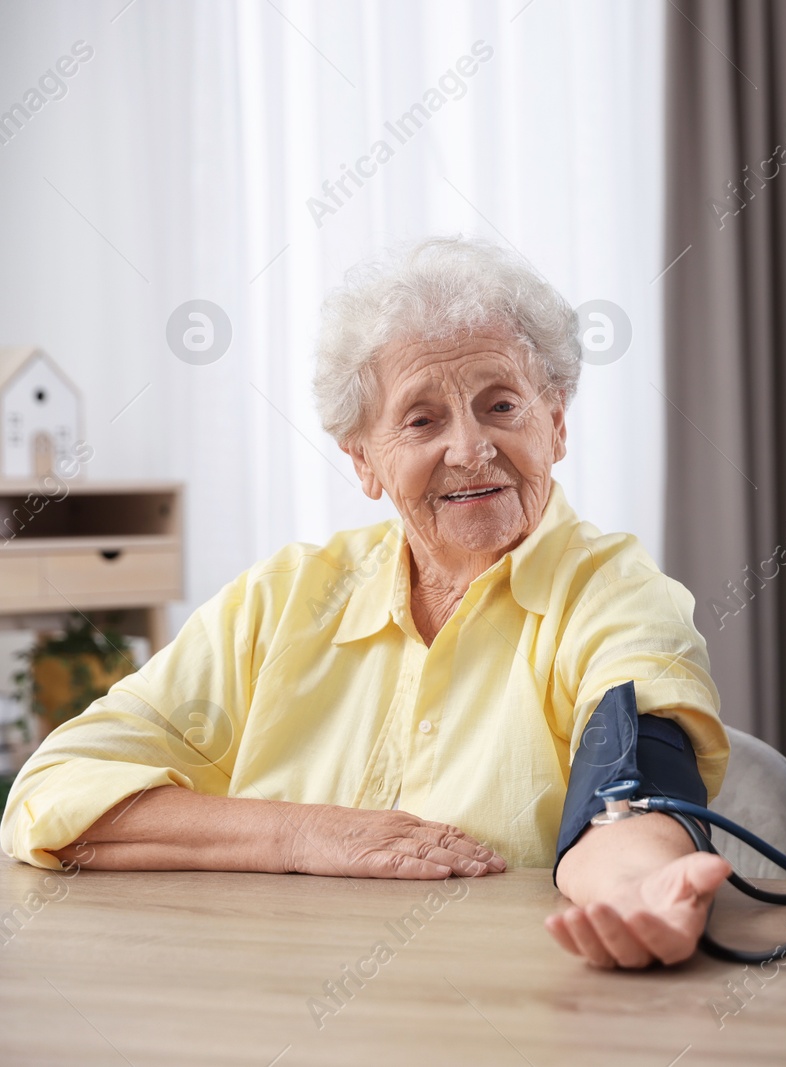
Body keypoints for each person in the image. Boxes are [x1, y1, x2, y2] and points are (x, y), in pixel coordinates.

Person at [1, 236, 733, 968]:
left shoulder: (613, 594)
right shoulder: (281, 600)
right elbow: (54, 791)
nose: (471, 448)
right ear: (363, 460)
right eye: (422, 420)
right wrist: (303, 834)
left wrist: (635, 888)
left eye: (501, 404)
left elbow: (634, 790)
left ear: (557, 422)